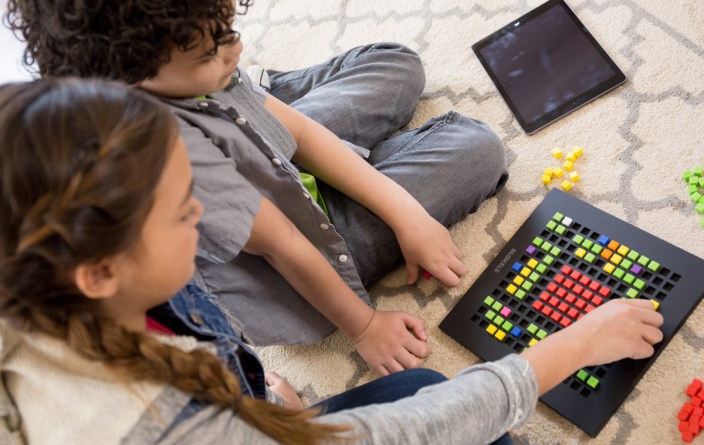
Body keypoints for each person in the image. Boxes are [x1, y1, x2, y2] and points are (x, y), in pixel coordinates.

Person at [0, 78, 664, 445]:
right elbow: (392, 435)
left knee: (425, 388)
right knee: (461, 418)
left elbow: (202, 342)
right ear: (99, 272)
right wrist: (571, 345)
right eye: (182, 211)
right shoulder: (155, 429)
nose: (201, 217)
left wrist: (252, 392)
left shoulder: (49, 277)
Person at [5, 0, 509, 375]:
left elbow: (302, 134)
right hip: (304, 248)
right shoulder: (163, 153)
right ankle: (267, 125)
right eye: (213, 51)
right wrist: (366, 327)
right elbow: (284, 244)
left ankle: (257, 103)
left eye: (228, 29)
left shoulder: (199, 50)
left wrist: (406, 214)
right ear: (130, 72)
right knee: (477, 148)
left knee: (396, 64)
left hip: (263, 152)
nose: (237, 48)